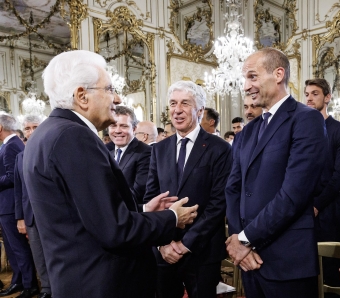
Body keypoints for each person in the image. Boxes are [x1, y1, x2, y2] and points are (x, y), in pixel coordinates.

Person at [23, 50, 198, 298]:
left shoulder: (46, 133)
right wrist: (171, 218)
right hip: (102, 283)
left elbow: (86, 213)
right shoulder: (74, 136)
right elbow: (114, 228)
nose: (116, 98)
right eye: (109, 88)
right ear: (82, 96)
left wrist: (145, 210)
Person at [225, 47, 327, 298]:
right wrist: (238, 239)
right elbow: (233, 189)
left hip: (286, 261)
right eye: (245, 79)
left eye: (252, 76)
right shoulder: (247, 132)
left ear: (278, 74)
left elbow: (294, 194)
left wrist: (245, 240)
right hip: (250, 261)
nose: (246, 86)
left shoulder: (306, 120)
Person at [144, 81, 232, 298]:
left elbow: (218, 203)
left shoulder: (219, 148)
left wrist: (185, 244)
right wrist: (163, 244)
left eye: (185, 103)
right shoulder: (158, 149)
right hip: (164, 250)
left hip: (202, 250)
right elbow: (151, 198)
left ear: (200, 111)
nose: (177, 109)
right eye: (173, 103)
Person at [305, 78, 340, 293]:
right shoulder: (302, 129)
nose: (309, 98)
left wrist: (317, 204)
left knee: (331, 271)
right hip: (303, 209)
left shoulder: (339, 129)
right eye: (307, 94)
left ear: (327, 97)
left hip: (330, 209)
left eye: (314, 93)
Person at [0, 113, 38, 298]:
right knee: (13, 249)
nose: (30, 132)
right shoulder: (9, 145)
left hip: (10, 206)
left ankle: (29, 284)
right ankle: (18, 280)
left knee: (19, 248)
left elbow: (13, 178)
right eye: (28, 128)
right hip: (6, 206)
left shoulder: (12, 145)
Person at [14, 114, 51, 298]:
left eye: (35, 126)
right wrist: (20, 217)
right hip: (30, 215)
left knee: (54, 251)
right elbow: (18, 190)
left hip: (51, 213)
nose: (32, 131)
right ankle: (46, 288)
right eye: (27, 128)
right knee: (38, 254)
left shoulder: (51, 149)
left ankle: (59, 287)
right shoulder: (20, 157)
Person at [108, 106, 152, 203]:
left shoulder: (145, 152)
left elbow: (137, 194)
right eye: (113, 125)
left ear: (134, 129)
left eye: (124, 126)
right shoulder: (107, 151)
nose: (118, 130)